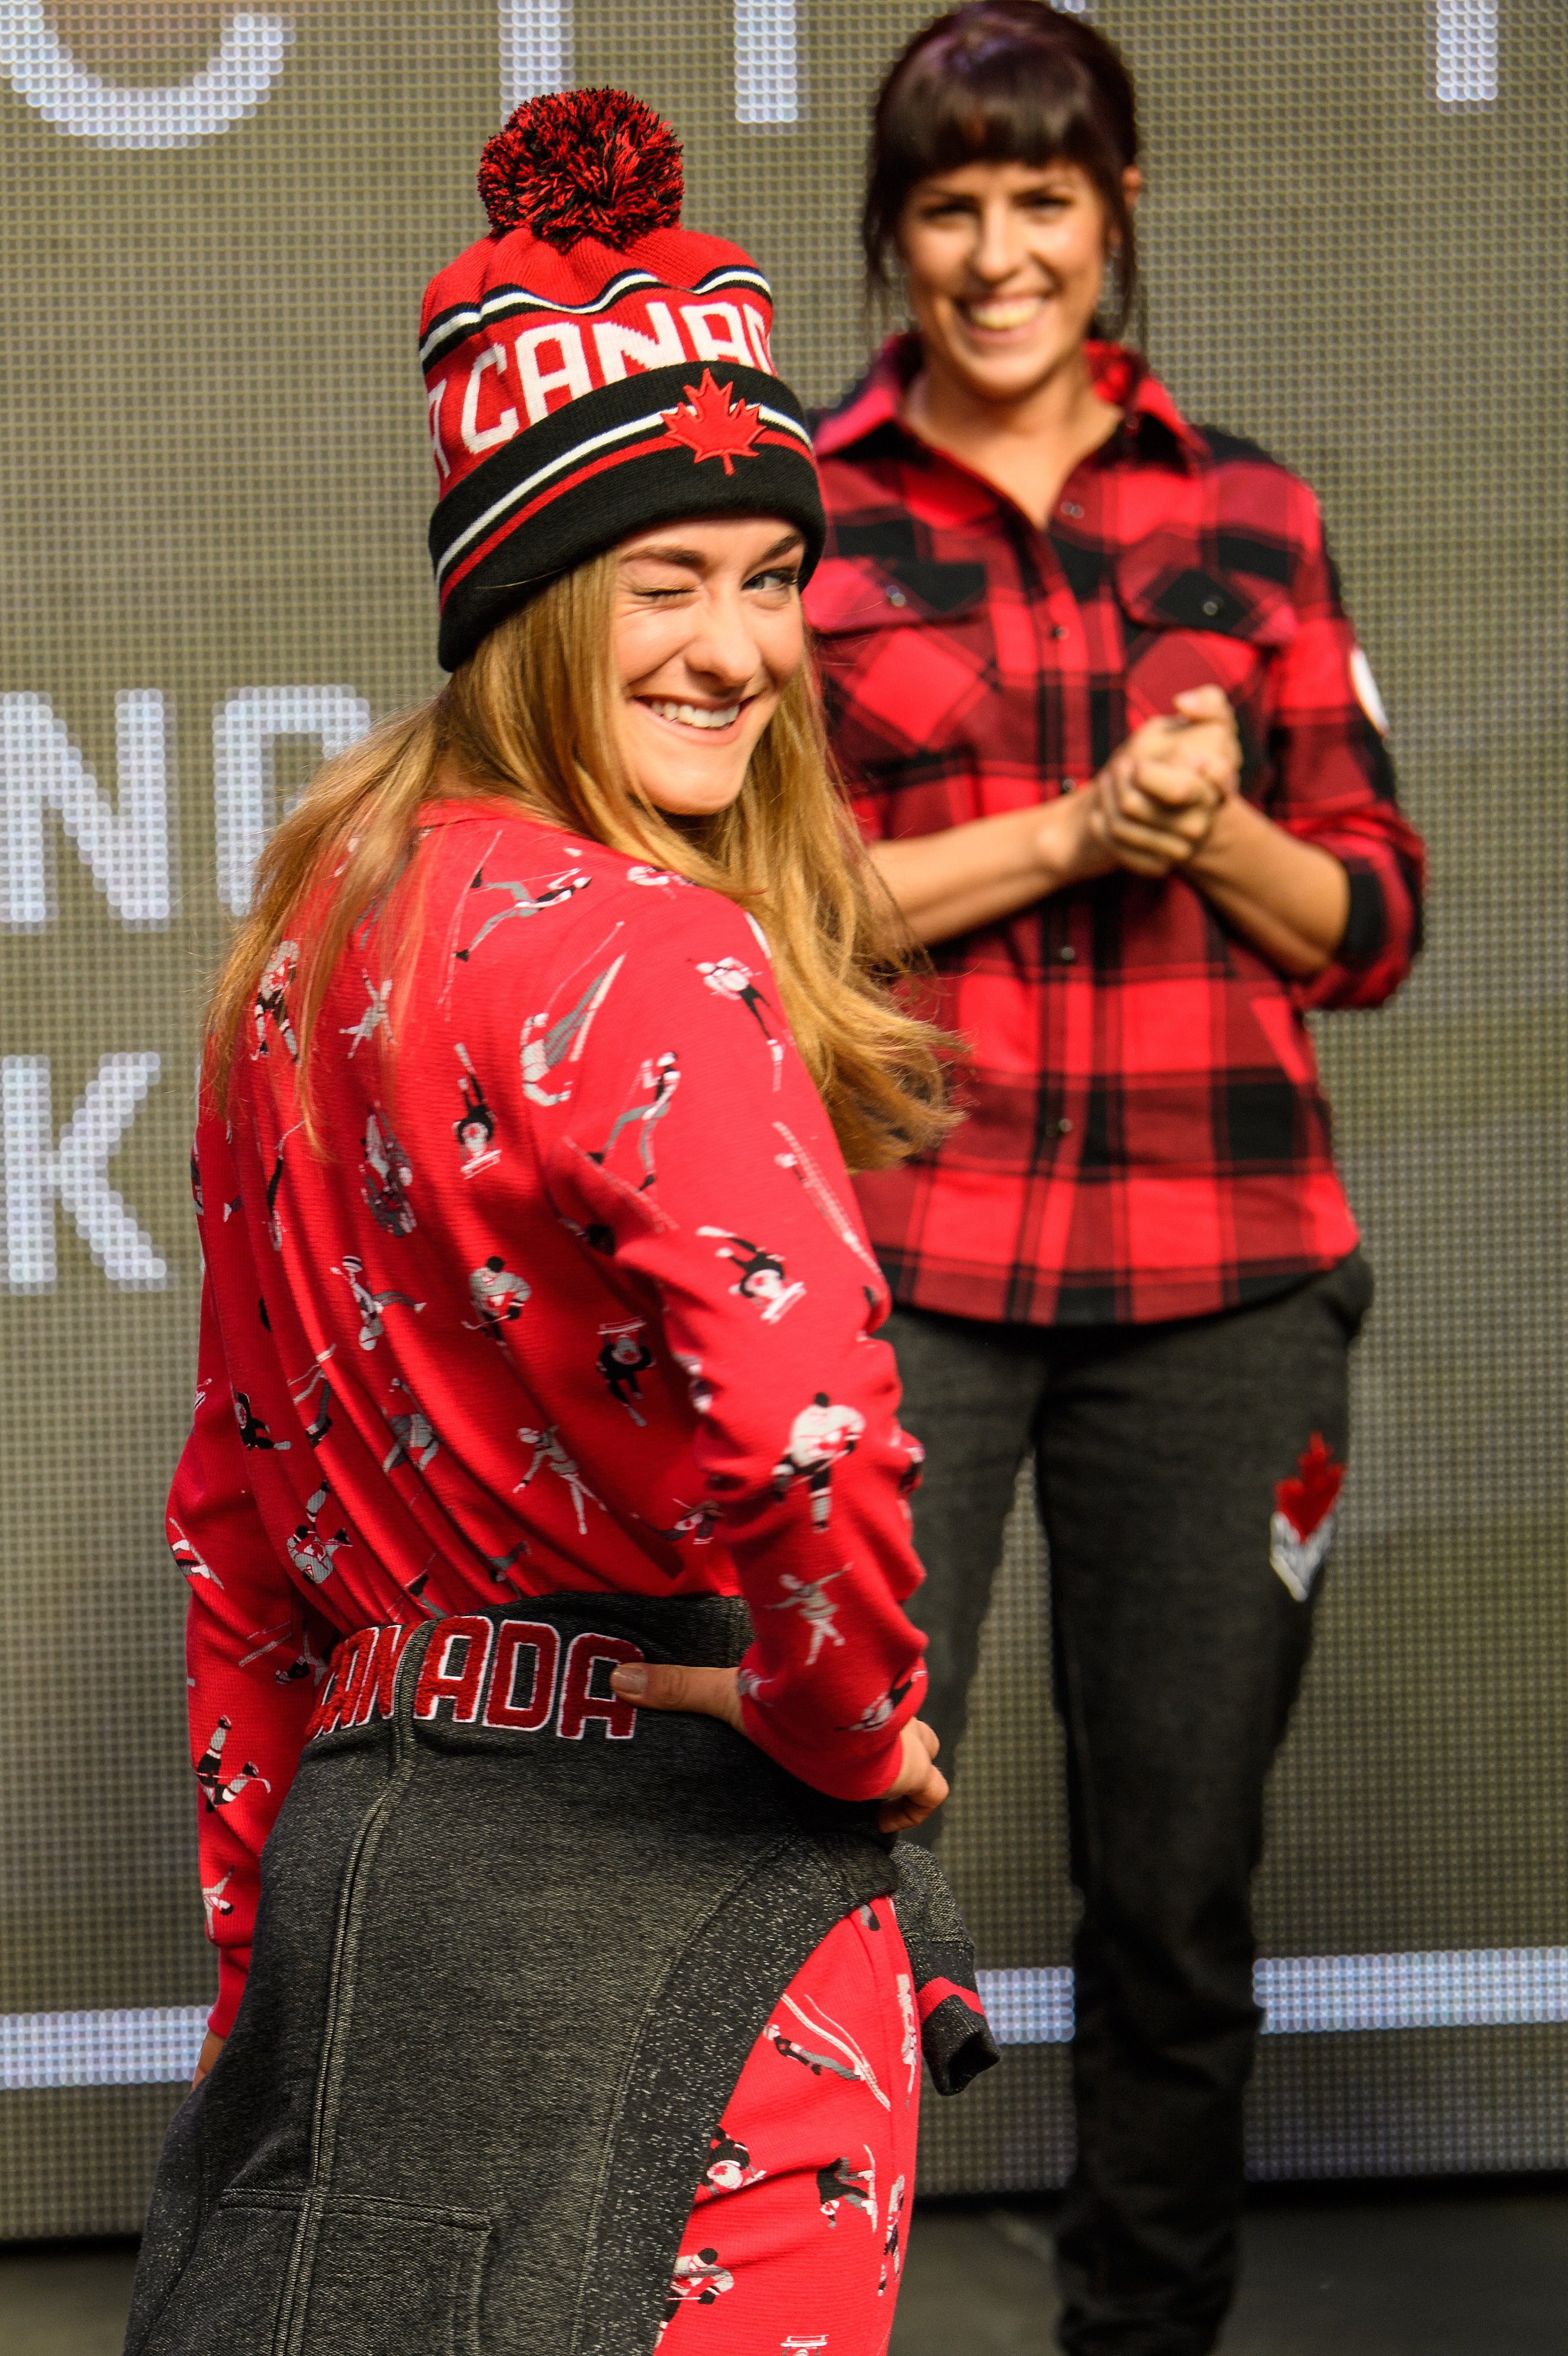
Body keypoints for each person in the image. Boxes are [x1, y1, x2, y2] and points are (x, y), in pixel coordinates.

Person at [123, 89, 997, 2356]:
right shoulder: (645, 947)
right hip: (686, 1914)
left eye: (773, 577)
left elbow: (234, 1522)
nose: (739, 649)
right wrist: (844, 1726)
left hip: (376, 1894)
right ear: (520, 595)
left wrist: (267, 1953)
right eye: (661, 580)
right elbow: (815, 1436)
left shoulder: (310, 929)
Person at [806, 7, 1425, 2351]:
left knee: (1178, 1895)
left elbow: (1371, 921)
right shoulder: (810, 520)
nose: (997, 255)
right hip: (903, 1274)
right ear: (899, 233)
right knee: (835, 1854)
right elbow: (776, 917)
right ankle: (793, 2311)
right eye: (951, 206)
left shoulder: (1248, 511)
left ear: (1120, 213)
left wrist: (1217, 825)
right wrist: (1070, 834)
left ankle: (1139, 2336)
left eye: (1042, 201)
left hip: (1227, 1273)